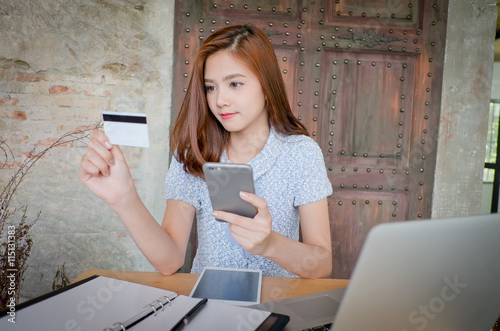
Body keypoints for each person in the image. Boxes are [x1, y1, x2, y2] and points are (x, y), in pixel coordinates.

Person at [78, 25, 333, 278]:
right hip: (206, 305)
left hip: (276, 307)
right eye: (211, 87)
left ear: (266, 85)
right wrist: (125, 199)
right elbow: (170, 261)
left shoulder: (302, 154)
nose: (220, 100)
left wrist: (269, 245)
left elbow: (321, 265)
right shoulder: (192, 153)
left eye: (234, 83)